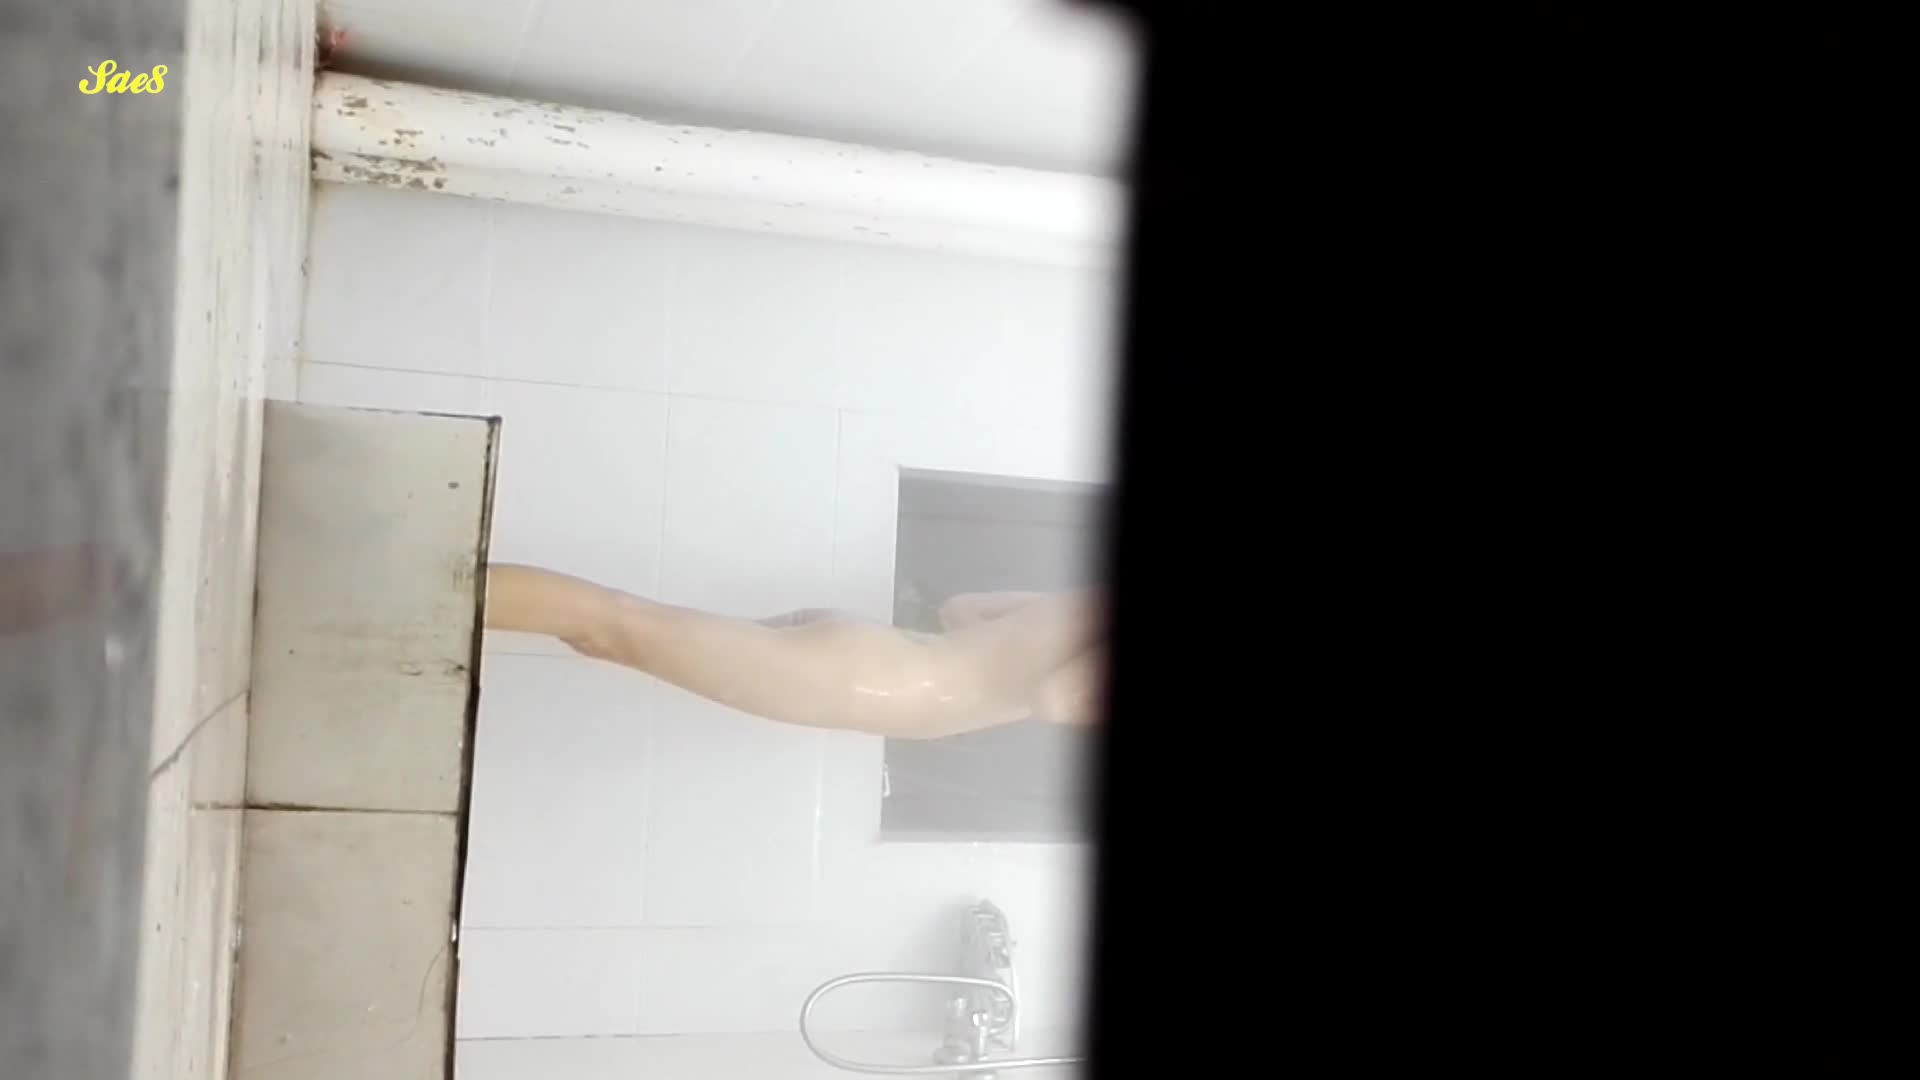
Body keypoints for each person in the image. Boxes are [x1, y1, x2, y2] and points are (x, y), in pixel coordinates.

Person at [484, 563, 1106, 739]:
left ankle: (448, 591)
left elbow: (961, 608)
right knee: (612, 624)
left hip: (878, 658)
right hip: (866, 681)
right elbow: (1054, 699)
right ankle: (440, 587)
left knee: (617, 636)